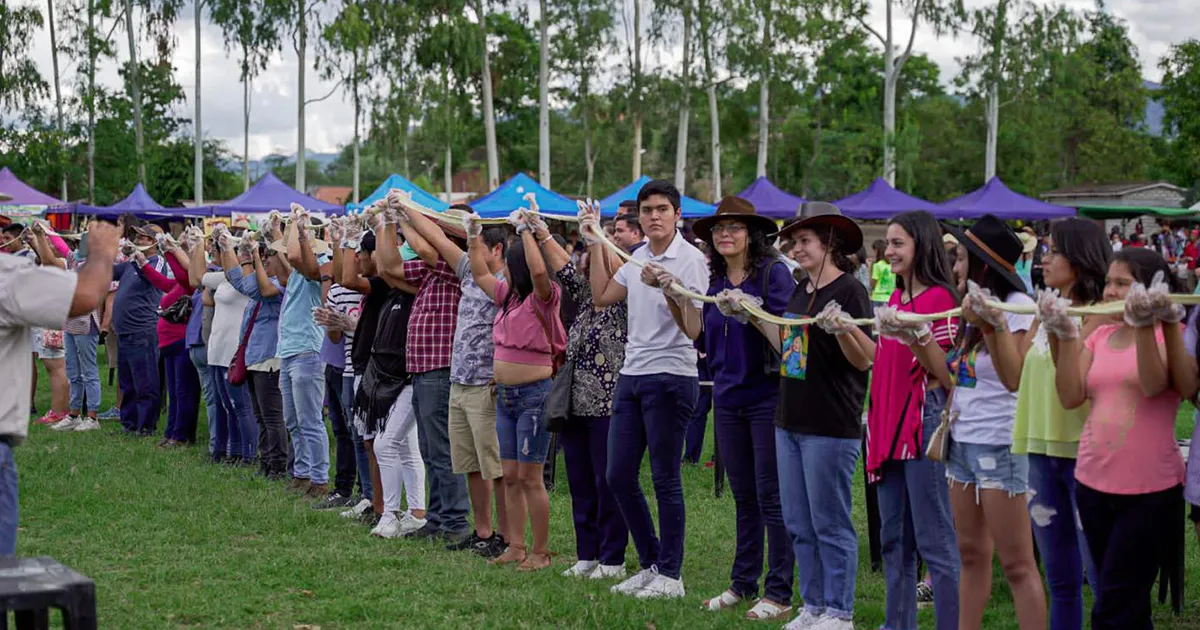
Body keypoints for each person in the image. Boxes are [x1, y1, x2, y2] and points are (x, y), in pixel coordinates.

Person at [729, 201, 873, 629]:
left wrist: (845, 328)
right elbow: (791, 350)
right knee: (797, 520)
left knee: (830, 521)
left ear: (830, 242)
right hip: (788, 418)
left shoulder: (850, 290)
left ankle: (839, 612)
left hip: (831, 422)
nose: (795, 247)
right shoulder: (799, 289)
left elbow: (865, 359)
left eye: (804, 240)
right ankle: (812, 607)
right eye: (794, 241)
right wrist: (751, 316)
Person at [1050, 247, 1193, 630]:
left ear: (1148, 289)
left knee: (1114, 604)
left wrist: (1146, 326)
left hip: (1149, 492)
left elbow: (1152, 385)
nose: (1110, 292)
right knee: (1125, 603)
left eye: (1121, 284)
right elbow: (1069, 395)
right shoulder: (1102, 334)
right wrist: (1064, 337)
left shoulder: (1171, 333)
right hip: (1093, 485)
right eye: (1109, 282)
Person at [581, 179, 709, 599]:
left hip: (672, 376)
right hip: (632, 374)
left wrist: (670, 289)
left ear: (676, 215)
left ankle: (671, 575)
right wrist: (596, 240)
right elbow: (601, 295)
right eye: (647, 210)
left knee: (665, 478)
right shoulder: (634, 257)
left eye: (662, 209)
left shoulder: (691, 260)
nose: (653, 216)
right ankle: (653, 560)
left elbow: (693, 329)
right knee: (617, 475)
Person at [681, 197, 796, 620]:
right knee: (743, 495)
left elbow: (790, 343)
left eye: (734, 227)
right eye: (718, 229)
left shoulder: (773, 275)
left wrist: (752, 311)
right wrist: (676, 297)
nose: (724, 234)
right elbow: (700, 336)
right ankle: (743, 583)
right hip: (726, 397)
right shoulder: (712, 279)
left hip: (766, 396)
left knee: (771, 496)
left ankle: (779, 592)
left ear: (753, 233)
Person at [943, 215, 1045, 630]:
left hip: (1000, 443)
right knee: (970, 553)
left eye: (962, 258)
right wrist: (915, 342)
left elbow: (1014, 377)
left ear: (982, 265)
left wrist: (992, 325)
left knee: (1017, 563)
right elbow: (955, 377)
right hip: (962, 442)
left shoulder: (1018, 308)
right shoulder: (971, 310)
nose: (956, 268)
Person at [1010, 219, 1108, 630]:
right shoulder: (1045, 305)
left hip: (1088, 456)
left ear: (1081, 259)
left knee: (1102, 577)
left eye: (1054, 251)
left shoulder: (1102, 315)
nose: (1044, 258)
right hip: (1040, 454)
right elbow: (1015, 375)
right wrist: (991, 327)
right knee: (1061, 580)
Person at [1, 219, 119, 555]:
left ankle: (86, 413)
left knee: (80, 372)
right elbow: (84, 294)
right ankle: (76, 412)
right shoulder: (6, 274)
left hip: (80, 328)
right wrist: (101, 252)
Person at [867, 210, 961, 630]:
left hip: (922, 425)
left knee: (934, 540)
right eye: (888, 243)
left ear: (921, 245)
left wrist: (919, 335)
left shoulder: (941, 299)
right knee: (893, 540)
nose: (889, 252)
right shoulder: (894, 299)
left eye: (897, 243)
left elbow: (947, 374)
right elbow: (882, 362)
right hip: (887, 427)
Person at [401, 201, 510, 557]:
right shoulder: (468, 272)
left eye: (474, 244)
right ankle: (482, 532)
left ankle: (506, 537)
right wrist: (404, 208)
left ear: (496, 249)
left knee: (493, 467)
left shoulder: (507, 284)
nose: (466, 251)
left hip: (485, 383)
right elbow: (435, 235)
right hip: (460, 381)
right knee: (470, 465)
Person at [531, 208, 631, 581]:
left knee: (607, 482)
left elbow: (618, 266)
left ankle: (612, 558)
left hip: (609, 403)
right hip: (574, 403)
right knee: (581, 482)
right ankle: (586, 553)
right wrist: (541, 232)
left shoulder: (622, 300)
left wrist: (596, 238)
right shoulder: (588, 299)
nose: (589, 265)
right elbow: (563, 268)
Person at [465, 207, 566, 572]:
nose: (502, 268)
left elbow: (540, 271)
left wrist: (526, 231)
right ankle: (516, 545)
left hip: (534, 396)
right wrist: (473, 235)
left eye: (508, 262)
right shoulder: (507, 297)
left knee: (530, 477)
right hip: (506, 397)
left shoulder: (545, 295)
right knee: (509, 475)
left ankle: (540, 552)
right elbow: (478, 272)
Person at [386, 199, 471, 544]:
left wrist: (406, 215)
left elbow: (425, 243)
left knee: (441, 448)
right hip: (423, 366)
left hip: (440, 366)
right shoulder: (432, 269)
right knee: (428, 447)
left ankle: (454, 520)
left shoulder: (452, 266)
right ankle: (437, 518)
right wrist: (386, 223)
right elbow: (388, 266)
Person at [350, 209, 427, 539]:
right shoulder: (395, 288)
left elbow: (384, 267)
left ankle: (393, 514)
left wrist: (387, 225)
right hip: (389, 374)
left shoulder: (416, 285)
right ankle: (414, 512)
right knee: (401, 448)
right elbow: (384, 268)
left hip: (408, 376)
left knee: (387, 444)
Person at [224, 221, 287, 479]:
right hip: (255, 357)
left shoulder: (281, 285)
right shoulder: (263, 282)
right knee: (261, 416)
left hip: (270, 359)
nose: (267, 262)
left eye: (268, 258)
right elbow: (237, 279)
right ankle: (266, 462)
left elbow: (256, 287)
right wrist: (229, 247)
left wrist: (253, 259)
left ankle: (278, 466)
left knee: (273, 417)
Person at [277, 210, 333, 499]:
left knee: (309, 419)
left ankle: (320, 478)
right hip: (289, 350)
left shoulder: (319, 262)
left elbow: (298, 259)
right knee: (293, 420)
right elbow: (283, 264)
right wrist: (276, 230)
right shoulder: (297, 270)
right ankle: (302, 473)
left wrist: (298, 229)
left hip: (307, 350)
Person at [311, 219, 365, 510]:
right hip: (336, 363)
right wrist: (332, 321)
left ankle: (362, 491)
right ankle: (344, 488)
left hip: (357, 368)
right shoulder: (336, 290)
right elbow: (332, 337)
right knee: (342, 430)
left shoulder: (365, 287)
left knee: (359, 432)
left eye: (346, 250)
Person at [138, 231, 201, 447]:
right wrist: (143, 263)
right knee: (174, 392)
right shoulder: (179, 284)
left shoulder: (190, 281)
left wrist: (170, 252)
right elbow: (164, 282)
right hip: (169, 343)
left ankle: (182, 435)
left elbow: (182, 275)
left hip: (181, 342)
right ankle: (171, 432)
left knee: (184, 391)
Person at [201, 228, 258, 465]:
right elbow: (201, 279)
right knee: (226, 406)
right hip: (216, 350)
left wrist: (230, 248)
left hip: (233, 352)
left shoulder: (246, 279)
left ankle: (249, 454)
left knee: (241, 406)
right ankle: (233, 451)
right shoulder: (223, 278)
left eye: (227, 249)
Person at [111, 223, 168, 436]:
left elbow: (151, 276)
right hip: (125, 331)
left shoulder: (157, 261)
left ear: (154, 242)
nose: (137, 240)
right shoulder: (129, 264)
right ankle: (130, 423)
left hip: (143, 330)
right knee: (127, 381)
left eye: (143, 237)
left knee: (145, 381)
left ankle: (146, 425)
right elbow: (108, 272)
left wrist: (137, 258)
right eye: (137, 236)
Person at [55, 235, 103, 432]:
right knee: (73, 372)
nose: (76, 248)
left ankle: (92, 417)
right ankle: (74, 414)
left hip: (86, 324)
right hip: (70, 323)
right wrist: (43, 233)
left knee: (89, 372)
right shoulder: (75, 263)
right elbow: (60, 247)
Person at [870, 238, 895, 310]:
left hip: (878, 297)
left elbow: (872, 284)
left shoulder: (877, 265)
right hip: (890, 297)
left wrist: (869, 268)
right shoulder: (892, 265)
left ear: (876, 251)